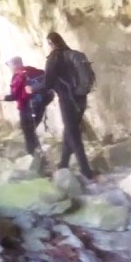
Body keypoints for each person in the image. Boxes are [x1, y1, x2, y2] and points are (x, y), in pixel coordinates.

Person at [36, 31, 95, 179]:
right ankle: (63, 164)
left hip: (67, 99)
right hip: (81, 98)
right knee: (69, 131)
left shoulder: (54, 57)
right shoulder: (72, 54)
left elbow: (47, 83)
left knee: (73, 134)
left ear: (50, 43)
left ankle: (86, 171)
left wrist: (32, 88)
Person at [0, 56, 46, 160]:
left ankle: (33, 157)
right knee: (31, 131)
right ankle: (39, 155)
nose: (10, 68)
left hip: (27, 108)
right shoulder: (33, 71)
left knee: (28, 132)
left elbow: (14, 96)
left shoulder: (18, 76)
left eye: (10, 65)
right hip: (40, 106)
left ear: (14, 65)